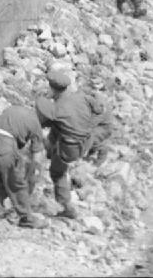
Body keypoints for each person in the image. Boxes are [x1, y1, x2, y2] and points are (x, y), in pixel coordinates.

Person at [35, 69, 112, 220]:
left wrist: (40, 100)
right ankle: (57, 152)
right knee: (58, 130)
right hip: (87, 139)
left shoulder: (57, 109)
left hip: (70, 148)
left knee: (57, 173)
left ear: (52, 89)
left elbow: (41, 121)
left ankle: (67, 207)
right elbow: (98, 109)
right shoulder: (82, 97)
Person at [0, 105, 48, 228]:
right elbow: (37, 158)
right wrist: (31, 176)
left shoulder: (14, 109)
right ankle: (27, 218)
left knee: (3, 179)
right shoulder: (36, 124)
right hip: (4, 149)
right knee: (17, 185)